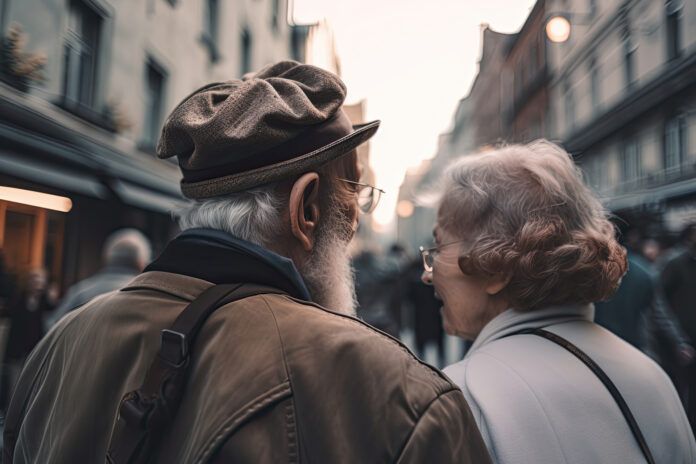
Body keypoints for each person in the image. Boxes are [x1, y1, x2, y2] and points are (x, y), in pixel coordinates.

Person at [4, 62, 490, 463]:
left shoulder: (60, 344)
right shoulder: (399, 396)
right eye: (355, 194)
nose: (356, 221)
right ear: (307, 210)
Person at [421, 140, 695, 463]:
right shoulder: (653, 379)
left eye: (438, 248)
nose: (427, 273)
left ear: (495, 265)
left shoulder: (463, 397)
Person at [45, 228, 151, 329]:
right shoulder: (147, 299)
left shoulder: (80, 293)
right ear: (141, 263)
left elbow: (52, 326)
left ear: (106, 257)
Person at [659, 223, 696, 432]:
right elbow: (658, 302)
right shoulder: (674, 262)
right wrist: (677, 339)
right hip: (681, 342)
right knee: (681, 392)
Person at [1, 268, 54, 410]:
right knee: (14, 386)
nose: (38, 285)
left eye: (40, 282)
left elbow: (54, 313)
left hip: (35, 350)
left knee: (32, 385)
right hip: (17, 351)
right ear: (28, 282)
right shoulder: (18, 298)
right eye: (35, 281)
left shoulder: (45, 302)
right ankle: (10, 416)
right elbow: (9, 314)